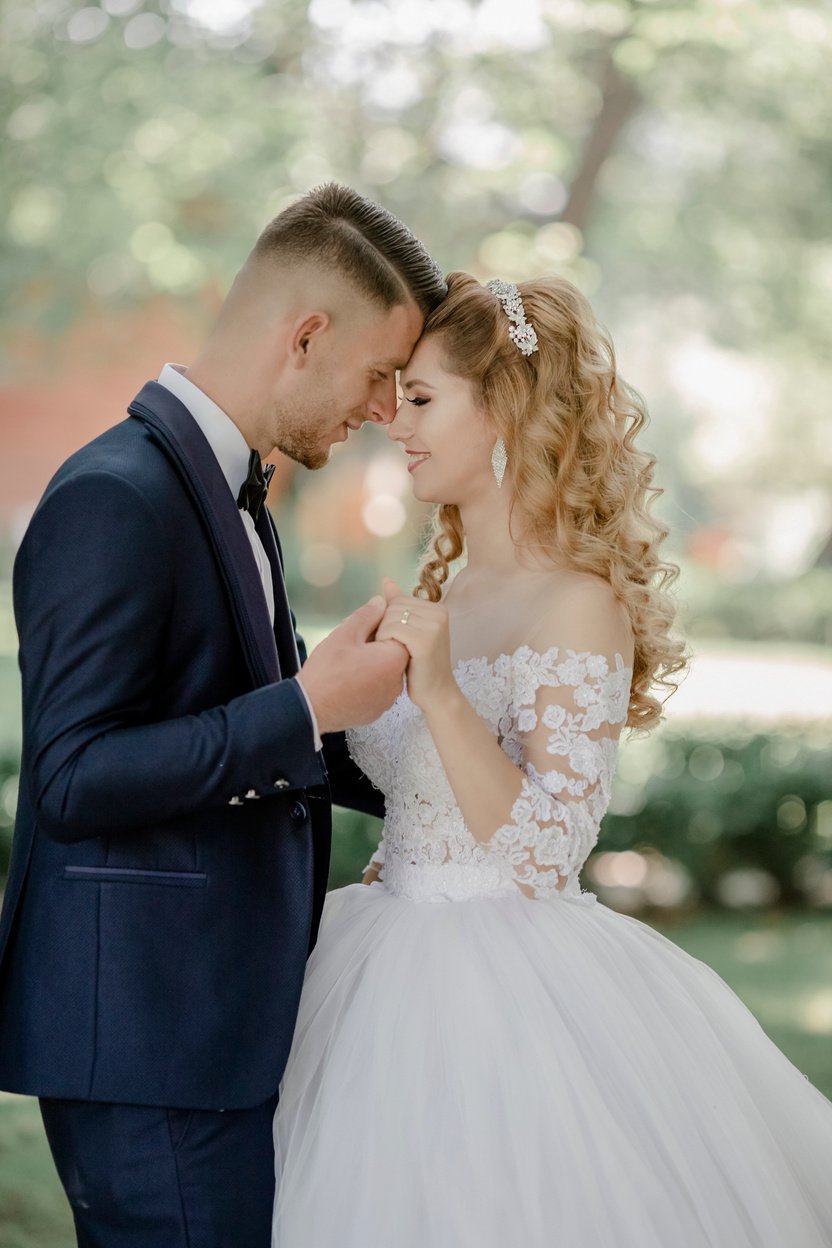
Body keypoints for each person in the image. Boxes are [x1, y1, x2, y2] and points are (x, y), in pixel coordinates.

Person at [272, 272, 832, 1247]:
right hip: (376, 962)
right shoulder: (448, 578)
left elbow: (545, 850)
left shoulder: (578, 602)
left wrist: (439, 691)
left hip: (507, 999)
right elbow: (417, 798)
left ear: (505, 408)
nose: (390, 422)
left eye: (419, 398)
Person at [0, 183, 447, 1247]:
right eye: (383, 374)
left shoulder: (234, 492)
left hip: (211, 1029)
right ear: (305, 336)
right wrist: (304, 703)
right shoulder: (115, 494)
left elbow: (253, 732)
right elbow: (70, 780)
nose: (386, 409)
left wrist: (458, 771)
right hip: (148, 1041)